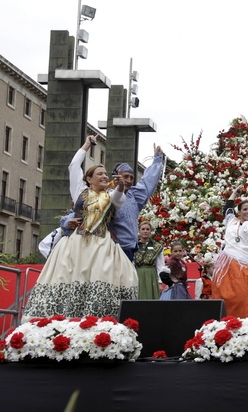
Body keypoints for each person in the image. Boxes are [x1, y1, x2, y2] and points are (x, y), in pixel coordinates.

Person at [24, 135, 138, 319]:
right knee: (66, 277)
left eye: (105, 174)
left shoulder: (112, 196)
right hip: (76, 243)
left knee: (103, 277)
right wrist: (86, 145)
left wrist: (120, 186)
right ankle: (60, 320)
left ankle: (96, 321)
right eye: (99, 173)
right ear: (88, 179)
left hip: (101, 244)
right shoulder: (79, 191)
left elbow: (118, 198)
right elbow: (73, 166)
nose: (104, 176)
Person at [211, 186, 248, 318]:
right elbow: (228, 208)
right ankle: (224, 323)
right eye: (245, 209)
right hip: (226, 267)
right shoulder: (231, 221)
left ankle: (244, 325)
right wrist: (234, 193)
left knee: (244, 296)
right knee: (223, 295)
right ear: (239, 212)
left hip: (246, 267)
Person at [109, 146, 165, 261]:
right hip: (112, 249)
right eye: (125, 177)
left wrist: (157, 159)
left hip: (130, 249)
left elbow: (148, 182)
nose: (129, 180)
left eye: (131, 177)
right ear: (116, 176)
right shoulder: (106, 196)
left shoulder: (133, 195)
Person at [134, 219, 165, 299]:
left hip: (151, 276)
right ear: (139, 231)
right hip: (138, 275)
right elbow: (131, 263)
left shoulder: (157, 246)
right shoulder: (134, 245)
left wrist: (159, 282)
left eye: (147, 229)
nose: (145, 231)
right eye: (143, 229)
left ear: (150, 231)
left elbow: (160, 265)